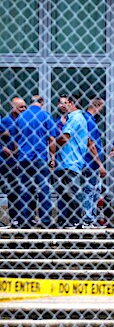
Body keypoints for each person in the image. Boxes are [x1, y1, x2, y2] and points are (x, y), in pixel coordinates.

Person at [55, 95, 106, 229]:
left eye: (66, 103)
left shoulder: (76, 118)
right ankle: (69, 220)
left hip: (70, 160)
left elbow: (64, 138)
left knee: (73, 192)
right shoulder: (77, 118)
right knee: (66, 193)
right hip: (68, 161)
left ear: (71, 103)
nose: (63, 106)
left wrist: (50, 143)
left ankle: (75, 221)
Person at [15, 95, 58, 228]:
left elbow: (16, 140)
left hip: (23, 158)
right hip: (40, 157)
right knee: (43, 189)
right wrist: (53, 158)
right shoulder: (45, 116)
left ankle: (25, 219)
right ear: (42, 103)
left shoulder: (21, 117)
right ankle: (45, 220)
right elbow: (52, 139)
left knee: (25, 189)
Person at [1, 97, 27, 228]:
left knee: (27, 190)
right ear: (13, 107)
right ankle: (15, 218)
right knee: (13, 190)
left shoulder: (27, 121)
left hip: (25, 161)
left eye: (25, 107)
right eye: (21, 107)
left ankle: (27, 218)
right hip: (9, 162)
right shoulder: (5, 121)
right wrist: (3, 148)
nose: (24, 109)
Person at [81, 97, 105, 228]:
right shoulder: (89, 121)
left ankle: (91, 217)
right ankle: (88, 219)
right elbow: (91, 144)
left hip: (91, 162)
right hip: (91, 162)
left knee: (96, 190)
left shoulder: (90, 120)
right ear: (97, 106)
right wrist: (100, 164)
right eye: (101, 107)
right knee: (90, 190)